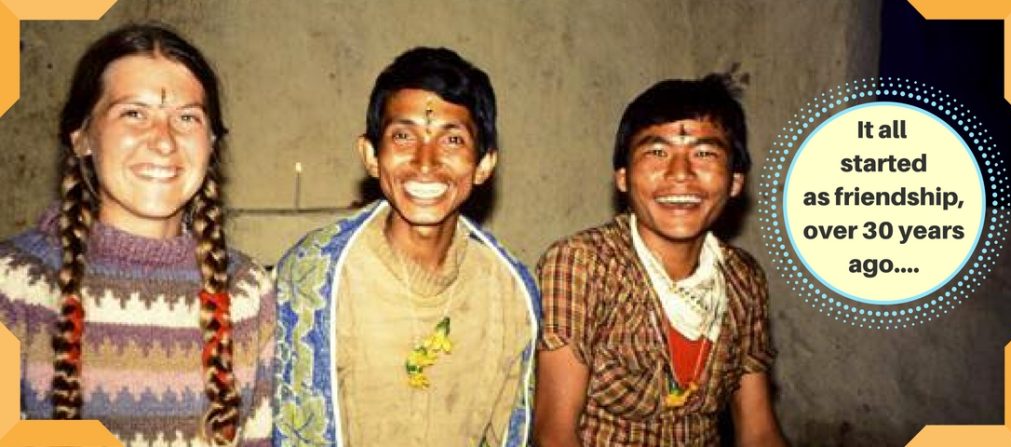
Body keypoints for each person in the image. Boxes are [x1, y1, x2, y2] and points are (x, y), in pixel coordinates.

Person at [0, 24, 275, 446]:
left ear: (211, 143)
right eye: (134, 113)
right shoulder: (15, 285)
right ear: (81, 137)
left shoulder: (246, 291)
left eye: (187, 118)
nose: (163, 141)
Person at [273, 47, 539, 447]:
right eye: (403, 136)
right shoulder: (314, 277)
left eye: (452, 139)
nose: (425, 162)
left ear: (484, 164)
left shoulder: (511, 292)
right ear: (371, 155)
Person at [534, 76, 785, 446]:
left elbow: (759, 431)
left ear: (735, 181)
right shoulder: (583, 265)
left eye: (704, 154)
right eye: (656, 152)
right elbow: (553, 434)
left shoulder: (741, 278)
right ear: (622, 177)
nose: (680, 174)